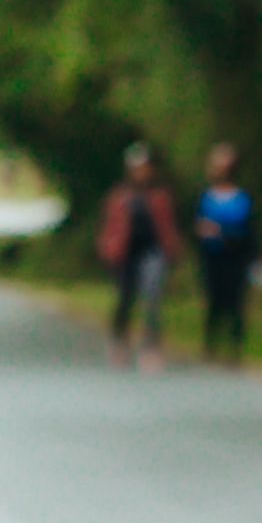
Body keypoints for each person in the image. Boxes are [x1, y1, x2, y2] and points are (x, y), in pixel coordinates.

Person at [95, 142, 183, 371]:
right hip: (125, 254)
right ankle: (119, 341)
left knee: (152, 298)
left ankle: (151, 347)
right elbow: (109, 227)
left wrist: (172, 249)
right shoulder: (119, 196)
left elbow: (168, 226)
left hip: (153, 252)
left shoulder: (160, 196)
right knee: (124, 299)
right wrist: (108, 250)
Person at [194, 142, 261, 363]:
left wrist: (256, 260)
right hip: (212, 258)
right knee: (213, 300)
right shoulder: (205, 196)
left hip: (237, 257)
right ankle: (210, 346)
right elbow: (195, 228)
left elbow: (252, 231)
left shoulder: (243, 198)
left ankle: (235, 349)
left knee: (236, 302)